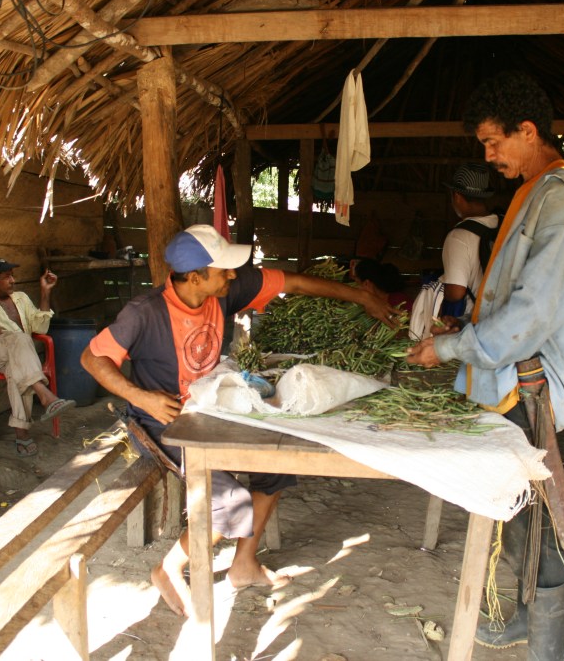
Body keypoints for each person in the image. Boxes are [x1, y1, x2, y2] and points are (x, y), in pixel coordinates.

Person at [79, 224, 398, 618]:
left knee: (276, 467)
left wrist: (362, 296)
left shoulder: (222, 291)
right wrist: (141, 397)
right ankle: (168, 567)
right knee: (232, 503)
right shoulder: (144, 314)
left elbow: (294, 282)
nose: (233, 274)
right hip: (163, 421)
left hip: (210, 410)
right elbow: (92, 358)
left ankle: (243, 565)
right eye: (223, 269)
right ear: (195, 277)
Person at [405, 71, 564, 659]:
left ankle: (551, 646)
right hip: (507, 378)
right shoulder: (533, 192)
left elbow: (531, 314)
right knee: (518, 509)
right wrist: (465, 335)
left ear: (529, 130)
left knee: (541, 519)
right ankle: (525, 617)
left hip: (530, 383)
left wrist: (447, 348)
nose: (488, 155)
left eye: (495, 142)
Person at [0, 258, 75, 457]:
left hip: (18, 357)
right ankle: (44, 393)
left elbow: (40, 327)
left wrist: (45, 292)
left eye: (13, 275)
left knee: (16, 370)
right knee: (19, 339)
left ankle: (22, 435)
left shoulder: (21, 298)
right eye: (6, 276)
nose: (12, 280)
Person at [440, 163, 499, 317]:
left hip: (475, 324)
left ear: (457, 196)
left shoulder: (458, 236)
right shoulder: (505, 225)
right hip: (505, 319)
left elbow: (455, 293)